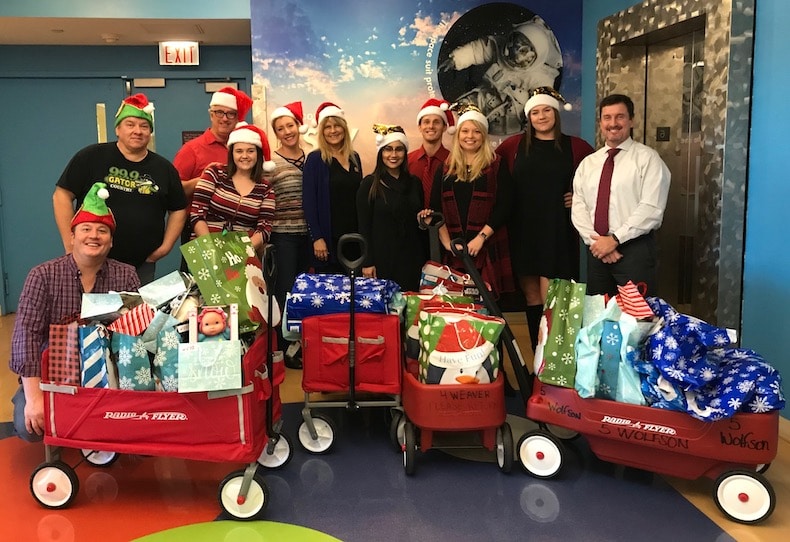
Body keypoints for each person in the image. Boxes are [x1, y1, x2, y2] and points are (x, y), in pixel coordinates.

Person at [9, 182, 141, 442]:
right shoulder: (43, 275)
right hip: (53, 373)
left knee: (136, 428)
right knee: (29, 427)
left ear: (111, 241)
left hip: (109, 374)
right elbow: (26, 336)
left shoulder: (126, 275)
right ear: (72, 237)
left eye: (102, 230)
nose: (94, 236)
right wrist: (34, 398)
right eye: (86, 229)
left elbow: (137, 332)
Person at [53, 93, 187, 284]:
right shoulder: (91, 157)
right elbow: (61, 195)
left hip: (142, 265)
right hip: (90, 260)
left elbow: (178, 208)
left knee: (136, 305)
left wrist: (165, 247)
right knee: (88, 304)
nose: (137, 131)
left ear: (150, 132)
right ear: (117, 129)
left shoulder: (164, 169)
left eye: (144, 126)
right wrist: (70, 243)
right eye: (130, 124)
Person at [496, 86, 594, 351]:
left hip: (558, 230)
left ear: (556, 113)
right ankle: (537, 357)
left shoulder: (577, 147)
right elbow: (491, 175)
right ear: (529, 117)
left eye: (546, 110)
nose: (541, 117)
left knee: (554, 297)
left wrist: (579, 197)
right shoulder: (512, 147)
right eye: (535, 112)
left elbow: (597, 179)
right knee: (531, 296)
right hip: (523, 230)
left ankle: (554, 360)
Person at [571, 93, 671, 296]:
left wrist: (614, 240)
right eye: (607, 117)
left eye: (620, 117)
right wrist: (599, 243)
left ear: (631, 120)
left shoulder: (648, 159)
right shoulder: (588, 164)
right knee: (598, 312)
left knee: (637, 314)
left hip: (634, 250)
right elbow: (579, 207)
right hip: (597, 251)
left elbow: (651, 208)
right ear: (600, 123)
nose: (613, 123)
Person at [420, 103, 515, 296]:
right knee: (455, 304)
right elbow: (436, 210)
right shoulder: (445, 168)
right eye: (465, 131)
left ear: (484, 135)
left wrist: (480, 238)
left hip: (487, 246)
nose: (470, 136)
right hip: (454, 251)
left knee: (487, 303)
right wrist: (448, 244)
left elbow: (505, 206)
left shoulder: (496, 164)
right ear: (458, 135)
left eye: (476, 131)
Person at [439, 16, 563, 135]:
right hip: (484, 97)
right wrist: (456, 59)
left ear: (535, 57)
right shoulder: (499, 48)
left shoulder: (541, 77)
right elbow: (479, 49)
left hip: (510, 118)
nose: (516, 52)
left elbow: (542, 103)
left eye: (523, 50)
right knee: (458, 115)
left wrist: (531, 124)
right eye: (516, 44)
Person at [173, 87, 254, 262]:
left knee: (236, 277)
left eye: (231, 114)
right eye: (219, 112)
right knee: (201, 277)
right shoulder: (191, 149)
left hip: (237, 230)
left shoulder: (244, 149)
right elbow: (173, 191)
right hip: (199, 227)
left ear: (237, 118)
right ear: (211, 114)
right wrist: (204, 180)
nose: (224, 118)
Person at [357, 124, 427, 291]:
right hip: (382, 261)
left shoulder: (415, 183)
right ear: (381, 153)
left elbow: (417, 224)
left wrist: (423, 221)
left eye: (399, 149)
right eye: (388, 149)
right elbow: (363, 227)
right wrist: (367, 262)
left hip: (411, 260)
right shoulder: (369, 184)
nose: (393, 155)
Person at [189, 122, 276, 254]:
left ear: (258, 154)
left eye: (250, 151)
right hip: (206, 247)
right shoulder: (214, 173)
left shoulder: (265, 188)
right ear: (232, 153)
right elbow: (197, 214)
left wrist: (242, 251)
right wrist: (210, 247)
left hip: (243, 251)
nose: (244, 156)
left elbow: (264, 228)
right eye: (239, 151)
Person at [269, 101, 312, 369]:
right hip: (283, 236)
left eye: (290, 125)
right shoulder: (271, 164)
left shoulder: (312, 158)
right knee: (284, 293)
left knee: (306, 293)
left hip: (310, 237)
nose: (287, 132)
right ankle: (285, 349)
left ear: (298, 126)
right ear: (276, 133)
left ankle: (304, 344)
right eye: (280, 128)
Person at [302, 102, 363, 272]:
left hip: (353, 239)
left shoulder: (354, 158)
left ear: (344, 128)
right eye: (328, 127)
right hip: (328, 240)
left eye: (337, 125)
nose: (333, 130)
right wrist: (317, 238)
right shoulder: (315, 159)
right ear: (322, 132)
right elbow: (309, 202)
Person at [407, 98, 454, 206]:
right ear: (420, 127)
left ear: (444, 127)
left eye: (436, 122)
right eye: (426, 122)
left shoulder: (454, 162)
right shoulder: (407, 161)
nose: (431, 126)